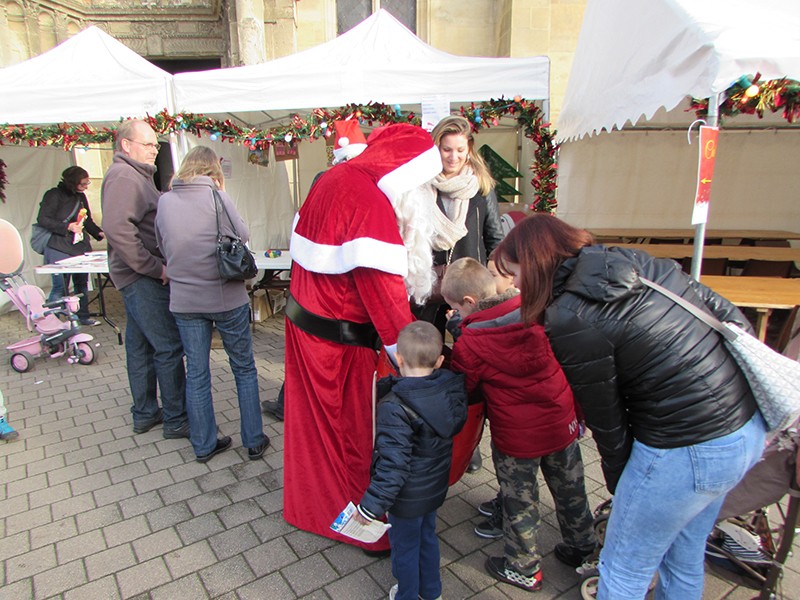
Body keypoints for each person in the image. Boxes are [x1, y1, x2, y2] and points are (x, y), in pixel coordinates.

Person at [495, 214, 767, 600]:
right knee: (684, 555)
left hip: (684, 451)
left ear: (536, 262)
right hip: (744, 429)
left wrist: (623, 488)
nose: (515, 284)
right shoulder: (633, 259)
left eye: (515, 272)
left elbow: (606, 420)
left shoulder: (569, 317)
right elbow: (728, 317)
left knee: (623, 568)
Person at [284, 123, 443, 552]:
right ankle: (358, 524)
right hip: (338, 343)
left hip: (304, 325)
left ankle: (308, 507)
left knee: (312, 429)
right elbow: (384, 298)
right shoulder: (370, 204)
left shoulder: (336, 177)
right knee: (349, 434)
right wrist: (412, 354)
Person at [443, 257, 596, 592]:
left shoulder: (471, 340)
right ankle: (583, 548)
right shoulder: (536, 308)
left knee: (520, 502)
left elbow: (465, 385)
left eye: (457, 308)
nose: (456, 314)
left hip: (517, 437)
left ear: (469, 302)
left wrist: (458, 333)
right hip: (560, 421)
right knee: (571, 488)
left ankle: (523, 567)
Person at [156, 146, 269, 463]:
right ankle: (253, 440)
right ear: (213, 170)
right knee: (243, 368)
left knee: (197, 373)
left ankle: (204, 444)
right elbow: (243, 234)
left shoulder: (164, 201)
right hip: (225, 296)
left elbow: (161, 244)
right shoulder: (219, 197)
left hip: (184, 300)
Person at [260, 120, 369, 423]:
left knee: (316, 356)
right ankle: (302, 407)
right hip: (333, 290)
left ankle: (299, 407)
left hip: (323, 291)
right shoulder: (354, 183)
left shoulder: (328, 181)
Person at [355, 321, 467, 600]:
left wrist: (369, 507)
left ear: (399, 358)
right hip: (433, 489)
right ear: (439, 361)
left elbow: (393, 465)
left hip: (406, 498)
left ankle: (406, 594)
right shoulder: (449, 391)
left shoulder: (395, 406)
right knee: (427, 538)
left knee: (405, 547)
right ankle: (431, 592)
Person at [417, 115, 504, 474]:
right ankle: (426, 431)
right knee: (426, 360)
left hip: (468, 294)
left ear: (469, 151)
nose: (453, 157)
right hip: (426, 288)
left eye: (459, 150)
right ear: (435, 148)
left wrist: (497, 287)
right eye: (446, 149)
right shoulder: (421, 187)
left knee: (469, 366)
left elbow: (495, 239)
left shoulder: (481, 189)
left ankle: (467, 439)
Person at [101, 119, 188, 439]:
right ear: (126, 145)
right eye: (148, 144)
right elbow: (119, 230)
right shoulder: (124, 176)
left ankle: (145, 412)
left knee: (140, 347)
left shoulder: (134, 175)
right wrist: (154, 267)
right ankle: (177, 418)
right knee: (168, 346)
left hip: (136, 276)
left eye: (155, 144)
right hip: (141, 278)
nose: (154, 149)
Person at [36, 166, 104, 326]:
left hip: (79, 246)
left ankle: (83, 316)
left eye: (87, 183)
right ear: (72, 182)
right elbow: (43, 219)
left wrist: (99, 233)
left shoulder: (80, 196)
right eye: (83, 183)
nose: (86, 187)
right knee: (60, 287)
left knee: (81, 284)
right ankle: (51, 322)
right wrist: (68, 227)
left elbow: (87, 220)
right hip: (58, 247)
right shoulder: (54, 195)